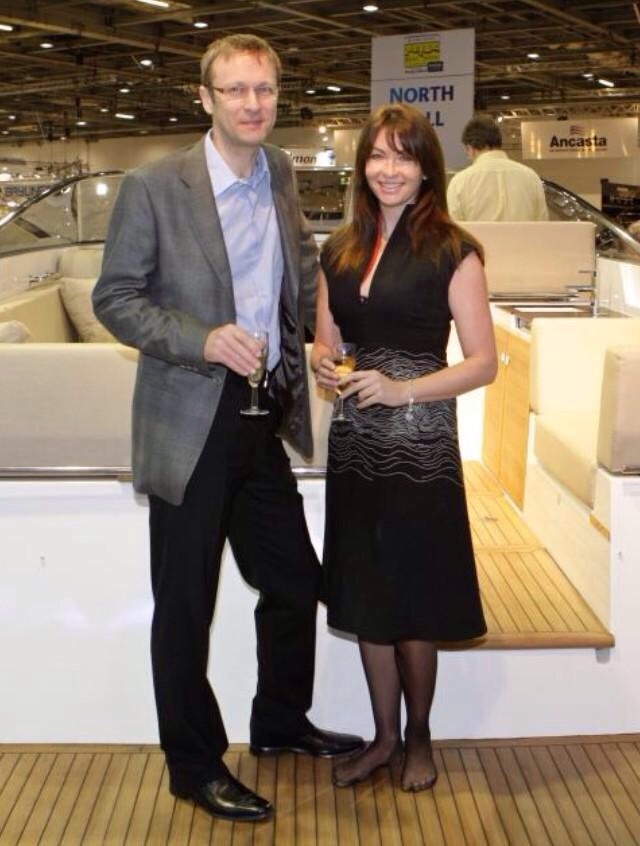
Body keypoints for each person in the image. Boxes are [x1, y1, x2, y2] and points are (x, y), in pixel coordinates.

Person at [92, 33, 363, 824]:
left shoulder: (277, 170)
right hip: (190, 423)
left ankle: (278, 722)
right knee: (186, 603)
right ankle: (193, 765)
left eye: (265, 90)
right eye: (236, 90)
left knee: (295, 579)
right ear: (205, 98)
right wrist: (202, 338)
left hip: (261, 416)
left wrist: (323, 337)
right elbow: (116, 298)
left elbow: (299, 267)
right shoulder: (153, 186)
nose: (253, 104)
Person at [311, 103, 497, 792]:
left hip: (420, 450)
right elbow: (326, 343)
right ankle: (383, 737)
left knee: (414, 597)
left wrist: (403, 390)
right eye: (378, 155)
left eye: (404, 156)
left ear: (425, 169)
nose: (389, 169)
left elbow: (484, 363)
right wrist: (323, 364)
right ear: (363, 164)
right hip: (356, 448)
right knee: (368, 596)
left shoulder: (454, 250)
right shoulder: (338, 249)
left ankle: (419, 736)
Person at [447, 115, 548, 221]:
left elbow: (454, 226)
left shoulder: (460, 182)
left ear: (470, 148)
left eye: (467, 152)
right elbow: (542, 223)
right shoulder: (531, 177)